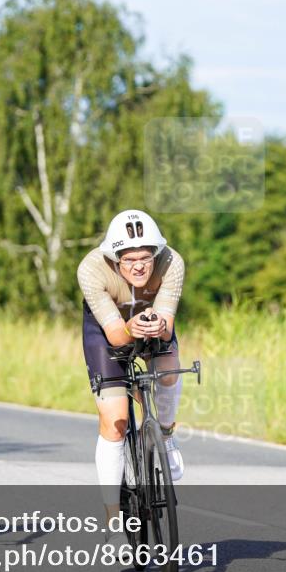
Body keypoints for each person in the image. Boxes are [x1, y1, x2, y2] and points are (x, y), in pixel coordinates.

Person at [77, 209, 187, 535]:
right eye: (129, 260)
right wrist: (129, 327)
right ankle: (113, 522)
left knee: (169, 368)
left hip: (152, 325)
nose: (138, 266)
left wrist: (157, 326)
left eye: (145, 258)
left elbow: (167, 328)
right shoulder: (91, 269)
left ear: (156, 253)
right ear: (115, 259)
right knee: (116, 421)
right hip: (107, 332)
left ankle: (165, 434)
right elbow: (115, 336)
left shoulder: (172, 262)